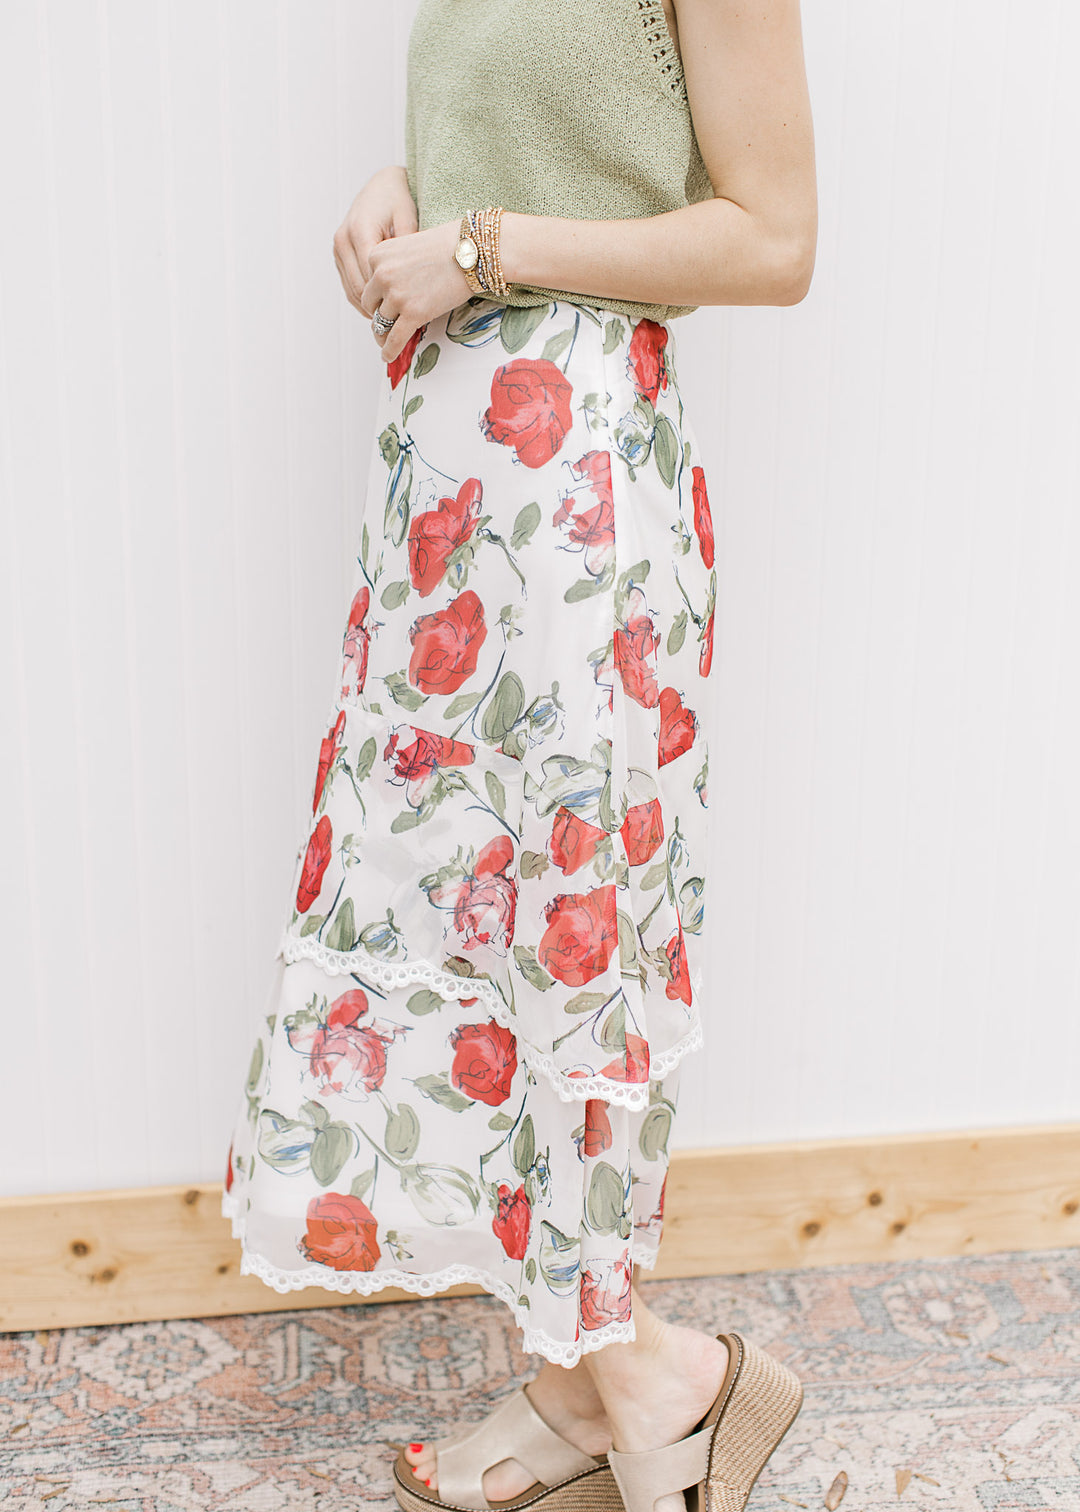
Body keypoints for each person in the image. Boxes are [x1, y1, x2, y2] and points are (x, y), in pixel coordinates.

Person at [222, 2, 817, 1510]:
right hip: (454, 468)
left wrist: (482, 245)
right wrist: (406, 187)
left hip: (577, 489)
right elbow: (571, 137)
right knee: (460, 910)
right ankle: (597, 1375)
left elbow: (772, 238)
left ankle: (647, 1385)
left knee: (567, 926)